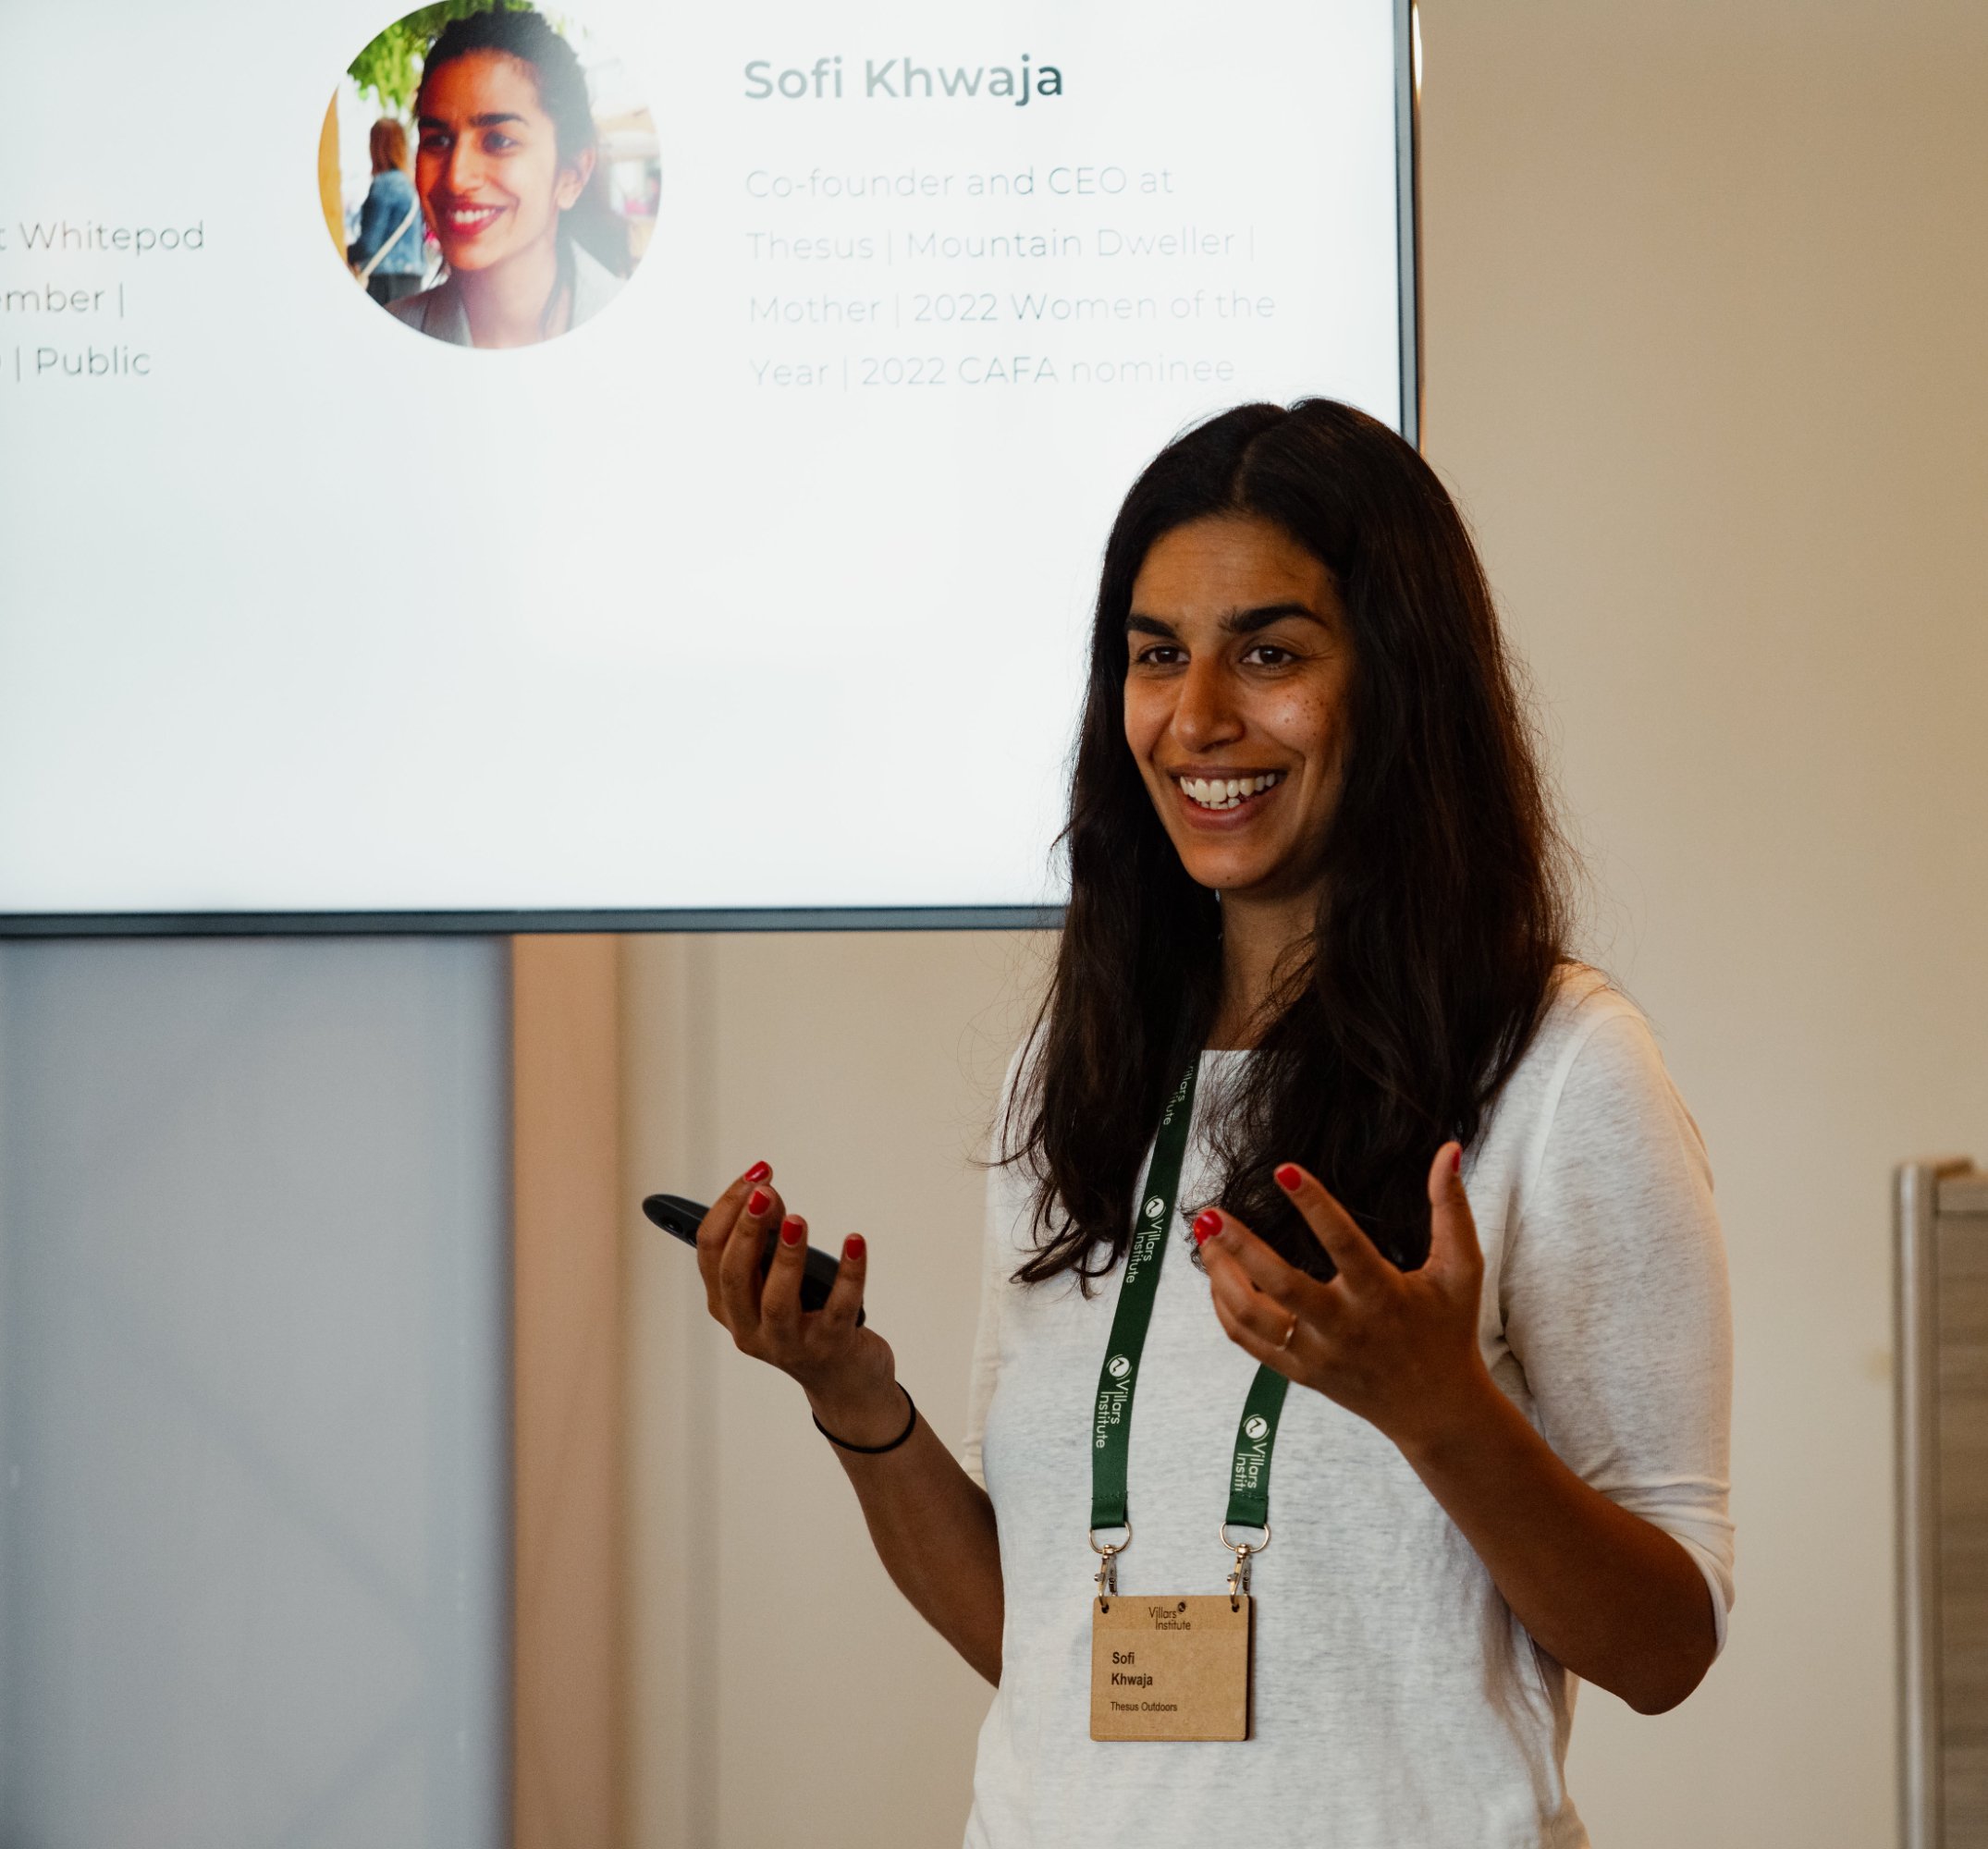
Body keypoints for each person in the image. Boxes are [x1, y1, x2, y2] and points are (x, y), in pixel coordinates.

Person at [693, 400, 1734, 1847]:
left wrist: (1440, 1410)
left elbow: (1662, 1648)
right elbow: (1045, 1638)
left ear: (1399, 681)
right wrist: (850, 1394)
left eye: (1269, 652)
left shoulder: (1556, 1067)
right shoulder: (1075, 1070)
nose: (1195, 719)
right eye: (1154, 654)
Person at [388, 7, 627, 349]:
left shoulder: (649, 337)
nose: (456, 179)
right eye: (438, 141)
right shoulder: (384, 338)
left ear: (572, 174)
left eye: (499, 141)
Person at [348, 118, 427, 306]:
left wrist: (346, 252)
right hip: (413, 279)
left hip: (386, 281)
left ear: (376, 146)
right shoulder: (411, 185)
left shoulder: (385, 184)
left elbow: (369, 244)